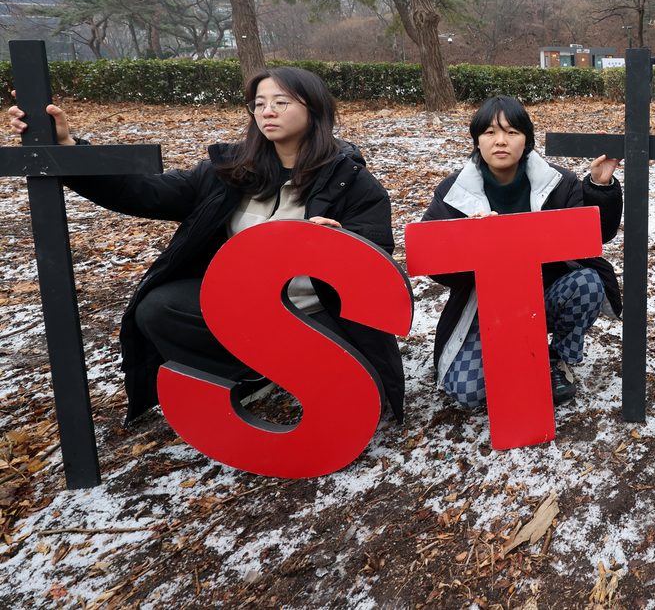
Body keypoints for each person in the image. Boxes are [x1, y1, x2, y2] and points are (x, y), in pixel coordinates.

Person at [7, 67, 404, 424]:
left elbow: (378, 256)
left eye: (281, 102)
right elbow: (144, 193)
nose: (267, 111)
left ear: (314, 108)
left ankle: (308, 371)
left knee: (346, 393)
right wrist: (71, 149)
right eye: (259, 103)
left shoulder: (350, 181)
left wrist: (343, 244)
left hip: (316, 316)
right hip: (241, 307)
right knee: (158, 308)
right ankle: (249, 373)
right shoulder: (229, 172)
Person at [421, 96, 622, 406]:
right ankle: (510, 351)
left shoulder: (559, 182)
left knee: (588, 283)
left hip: (546, 296)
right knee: (467, 392)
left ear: (526, 140)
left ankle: (557, 358)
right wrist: (472, 241)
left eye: (512, 132)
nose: (501, 141)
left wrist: (599, 185)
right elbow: (434, 263)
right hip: (485, 308)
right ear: (477, 140)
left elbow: (595, 235)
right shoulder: (453, 192)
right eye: (489, 132)